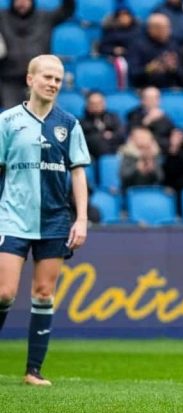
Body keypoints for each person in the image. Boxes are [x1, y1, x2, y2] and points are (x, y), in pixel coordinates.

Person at [0, 54, 90, 386]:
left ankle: (33, 371)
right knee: (4, 293)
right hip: (11, 217)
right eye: (47, 77)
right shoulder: (7, 121)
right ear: (30, 79)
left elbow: (78, 173)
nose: (53, 83)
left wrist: (81, 219)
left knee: (43, 293)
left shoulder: (69, 124)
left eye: (58, 79)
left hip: (54, 221)